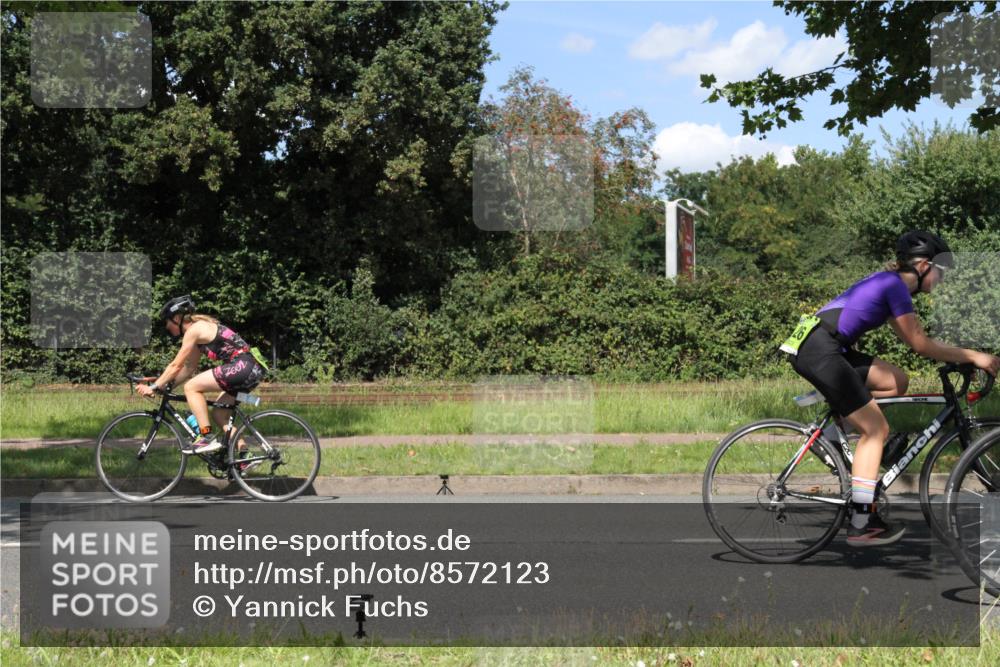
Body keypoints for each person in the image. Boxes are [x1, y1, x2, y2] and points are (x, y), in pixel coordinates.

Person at [784, 231, 999, 547]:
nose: (942, 280)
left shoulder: (891, 285)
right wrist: (974, 355)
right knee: (876, 430)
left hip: (825, 347)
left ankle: (837, 429)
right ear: (924, 265)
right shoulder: (895, 286)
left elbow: (914, 342)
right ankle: (861, 523)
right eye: (941, 272)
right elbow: (921, 344)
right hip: (820, 351)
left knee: (896, 380)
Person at [137, 296, 266, 454]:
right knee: (219, 414)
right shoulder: (198, 334)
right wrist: (163, 385)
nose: (167, 326)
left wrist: (154, 386)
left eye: (167, 321)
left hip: (243, 366)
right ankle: (244, 454)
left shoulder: (194, 330)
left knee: (191, 387)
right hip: (251, 369)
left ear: (177, 318)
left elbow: (175, 365)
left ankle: (206, 437)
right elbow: (188, 368)